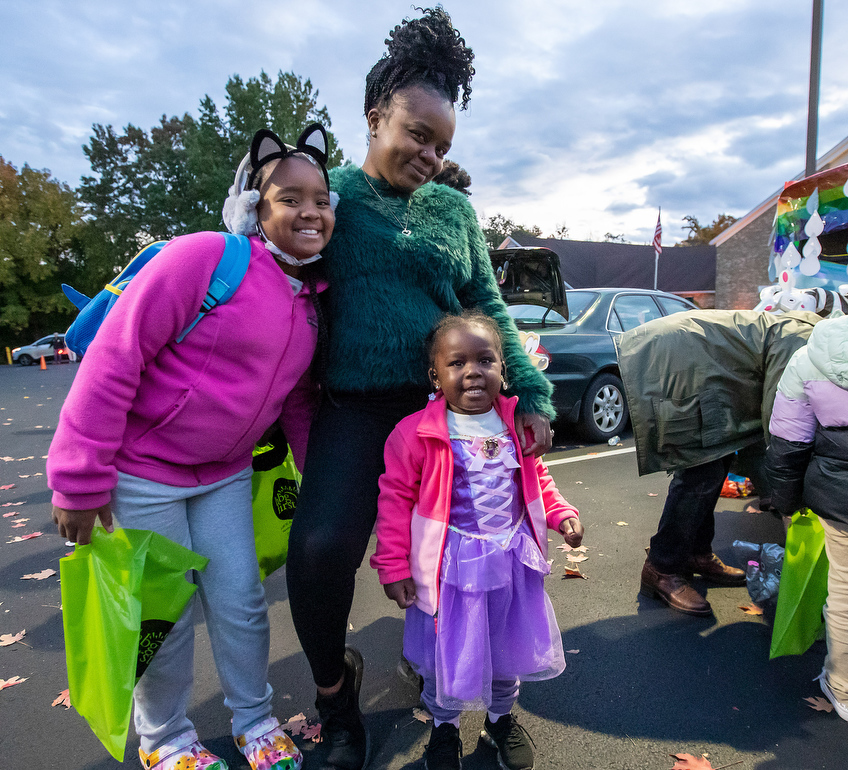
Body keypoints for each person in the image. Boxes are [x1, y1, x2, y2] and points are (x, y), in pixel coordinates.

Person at [283, 10, 555, 770]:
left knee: (465, 553)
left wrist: (528, 393)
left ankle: (460, 681)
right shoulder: (328, 196)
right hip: (354, 406)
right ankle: (338, 701)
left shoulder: (455, 210)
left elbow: (487, 305)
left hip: (442, 410)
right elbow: (275, 274)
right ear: (375, 118)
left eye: (443, 146)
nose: (430, 156)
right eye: (416, 135)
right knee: (324, 547)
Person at [48, 124, 337, 770]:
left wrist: (325, 492)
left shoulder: (313, 301)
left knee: (240, 602)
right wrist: (77, 479)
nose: (310, 209)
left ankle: (255, 721)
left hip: (224, 476)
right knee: (164, 620)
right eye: (289, 196)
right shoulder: (205, 258)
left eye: (321, 197)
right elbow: (117, 359)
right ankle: (166, 740)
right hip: (143, 474)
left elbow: (296, 404)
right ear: (252, 208)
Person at [371, 311, 582, 770]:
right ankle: (444, 727)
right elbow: (394, 503)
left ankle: (500, 718)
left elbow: (537, 477)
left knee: (507, 646)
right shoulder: (415, 433)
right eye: (456, 362)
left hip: (511, 562)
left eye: (486, 360)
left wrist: (561, 514)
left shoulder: (516, 423)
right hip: (449, 569)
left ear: (503, 369)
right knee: (448, 654)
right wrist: (393, 565)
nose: (472, 371)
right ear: (436, 374)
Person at [617, 309, 822, 617]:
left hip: (703, 368)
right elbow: (778, 418)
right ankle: (661, 567)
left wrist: (772, 489)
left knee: (715, 462)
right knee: (700, 471)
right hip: (683, 364)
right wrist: (786, 495)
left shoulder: (815, 334)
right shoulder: (804, 340)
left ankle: (695, 555)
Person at [766, 313, 848, 722]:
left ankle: (842, 686)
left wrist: (788, 504)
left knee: (845, 591)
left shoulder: (809, 357)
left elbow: (788, 442)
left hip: (839, 497)